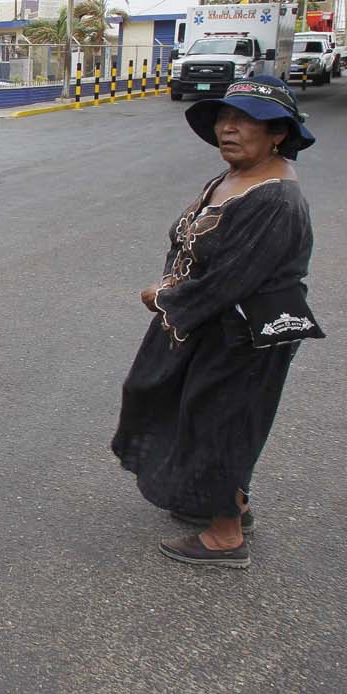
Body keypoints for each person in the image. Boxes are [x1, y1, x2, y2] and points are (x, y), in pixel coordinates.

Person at [112, 76, 320, 569]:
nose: (230, 129)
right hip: (209, 322)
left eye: (247, 120)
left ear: (278, 134)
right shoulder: (230, 178)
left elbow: (233, 280)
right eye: (225, 118)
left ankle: (225, 536)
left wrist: (166, 297)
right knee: (181, 405)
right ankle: (228, 502)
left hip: (243, 333)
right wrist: (173, 289)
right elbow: (188, 246)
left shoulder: (275, 199)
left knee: (220, 422)